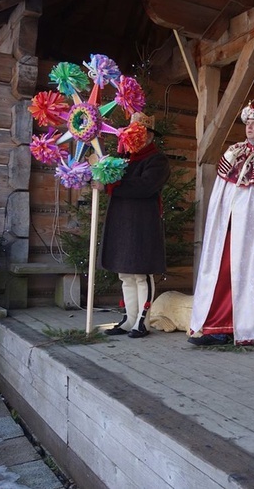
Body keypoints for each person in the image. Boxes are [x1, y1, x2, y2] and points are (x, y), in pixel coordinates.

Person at [188, 101, 254, 346]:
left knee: (251, 274)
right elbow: (222, 190)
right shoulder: (234, 152)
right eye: (248, 124)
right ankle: (217, 328)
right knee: (223, 274)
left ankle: (248, 327)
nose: (249, 128)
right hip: (230, 228)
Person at [101, 112, 170, 339]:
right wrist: (104, 180)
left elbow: (145, 187)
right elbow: (113, 182)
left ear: (149, 136)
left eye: (139, 133)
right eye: (131, 133)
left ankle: (143, 321)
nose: (134, 138)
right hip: (121, 221)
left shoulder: (157, 160)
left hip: (142, 224)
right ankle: (129, 318)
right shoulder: (121, 160)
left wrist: (115, 184)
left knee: (141, 273)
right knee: (125, 274)